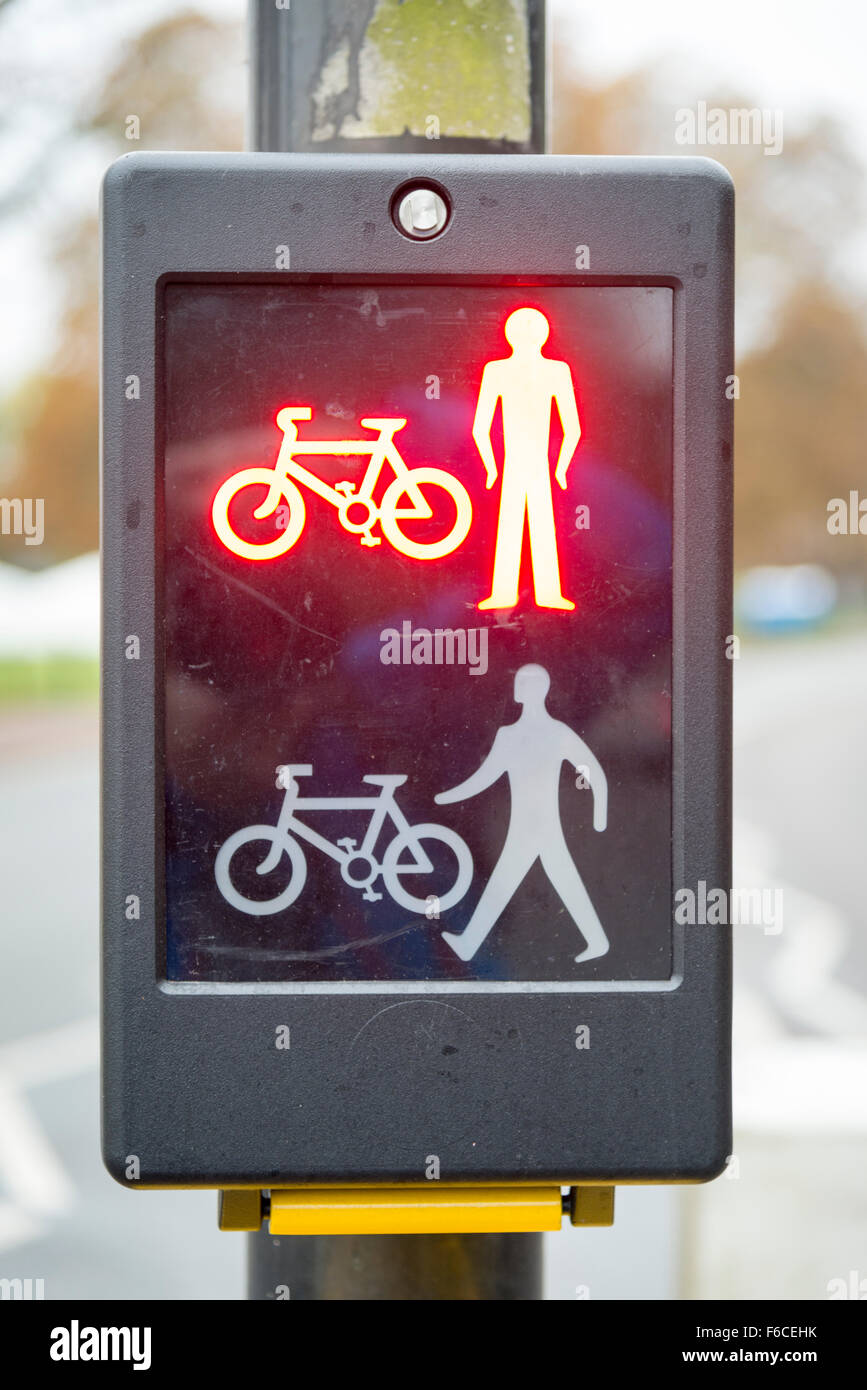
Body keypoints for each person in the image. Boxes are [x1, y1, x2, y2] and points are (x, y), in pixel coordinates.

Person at [435, 664, 609, 963]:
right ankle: (597, 941)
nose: (518, 687)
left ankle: (469, 943)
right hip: (528, 827)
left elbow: (594, 773)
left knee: (518, 880)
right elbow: (485, 777)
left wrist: (600, 815)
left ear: (533, 690)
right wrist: (448, 796)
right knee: (544, 879)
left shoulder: (552, 732)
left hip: (537, 828)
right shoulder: (516, 734)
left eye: (522, 683)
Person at [473, 307, 580, 610]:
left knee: (510, 524)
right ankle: (545, 593)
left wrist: (491, 468)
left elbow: (480, 428)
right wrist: (560, 468)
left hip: (516, 463)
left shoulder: (497, 370)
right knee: (538, 524)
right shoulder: (555, 371)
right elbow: (573, 429)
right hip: (536, 464)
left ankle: (509, 593)